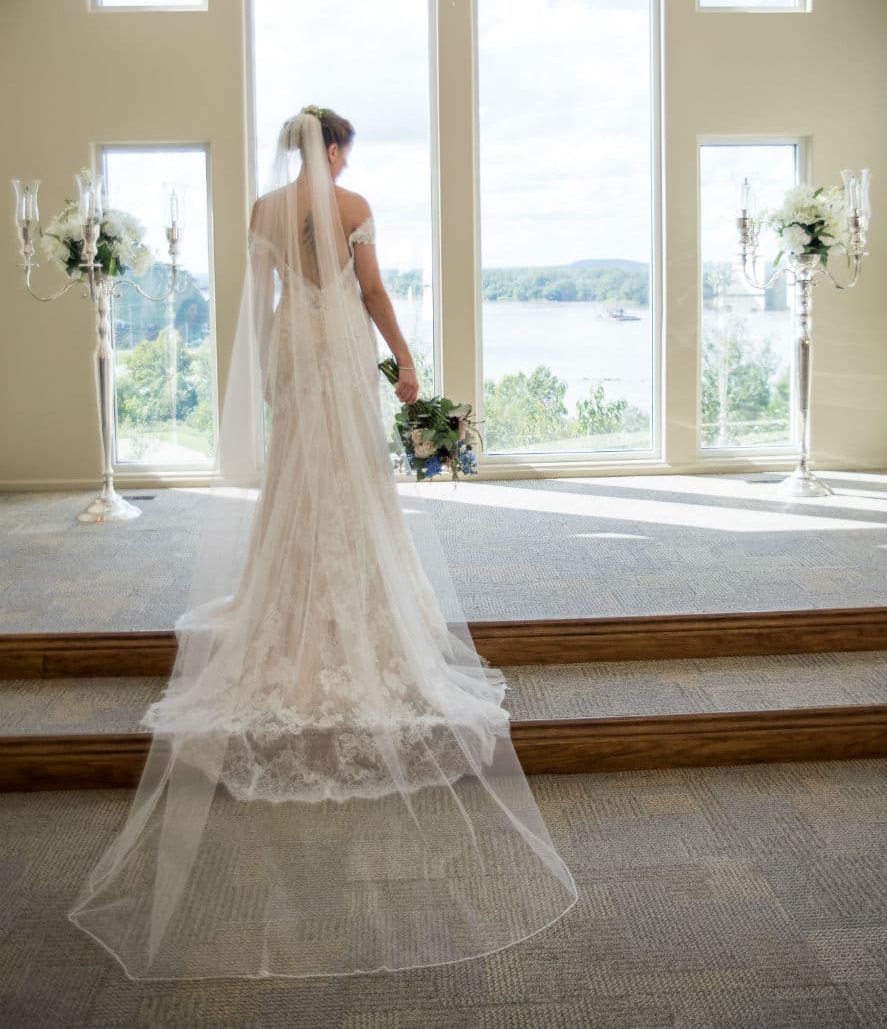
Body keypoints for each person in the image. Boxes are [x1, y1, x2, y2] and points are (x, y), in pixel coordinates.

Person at [68, 107, 577, 980]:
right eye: (343, 149)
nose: (341, 159)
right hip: (339, 340)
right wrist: (405, 359)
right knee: (351, 477)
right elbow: (372, 290)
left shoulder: (264, 209)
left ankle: (291, 593)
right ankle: (358, 603)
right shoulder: (348, 203)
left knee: (300, 472)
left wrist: (267, 363)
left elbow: (265, 297)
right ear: (334, 149)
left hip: (292, 344)